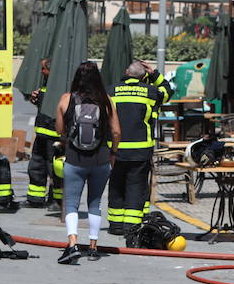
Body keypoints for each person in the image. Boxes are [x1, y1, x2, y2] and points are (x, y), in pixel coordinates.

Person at [55, 61, 120, 264]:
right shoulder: (106, 101)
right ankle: (93, 246)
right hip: (100, 159)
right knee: (95, 203)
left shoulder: (67, 99)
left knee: (72, 204)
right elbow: (117, 131)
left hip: (74, 159)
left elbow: (59, 130)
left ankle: (72, 243)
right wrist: (113, 153)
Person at [107, 60, 173, 235]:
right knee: (136, 186)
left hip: (116, 149)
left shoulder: (111, 90)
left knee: (116, 185)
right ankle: (131, 226)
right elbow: (168, 91)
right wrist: (154, 74)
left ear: (126, 72)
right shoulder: (151, 92)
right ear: (143, 76)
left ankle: (115, 225)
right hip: (140, 150)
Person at [24, 57, 62, 210]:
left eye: (43, 69)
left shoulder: (60, 87)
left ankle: (57, 201)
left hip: (54, 138)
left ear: (51, 71)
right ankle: (35, 199)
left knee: (55, 170)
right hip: (41, 135)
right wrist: (35, 98)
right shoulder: (45, 85)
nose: (41, 72)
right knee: (36, 166)